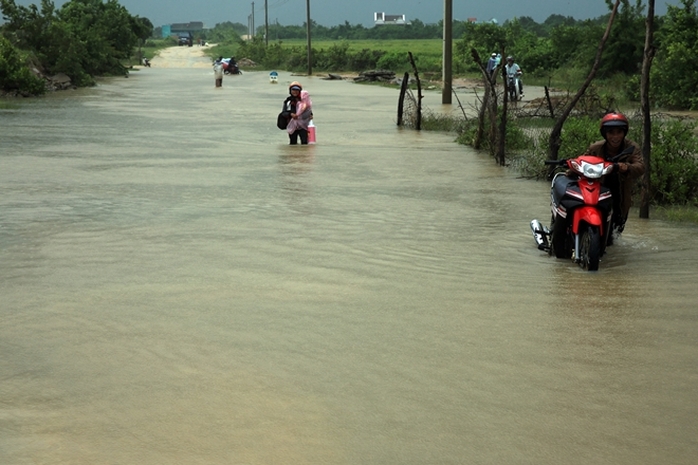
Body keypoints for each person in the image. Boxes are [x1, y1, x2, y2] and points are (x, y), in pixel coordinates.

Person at [585, 112, 645, 236]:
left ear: (624, 133)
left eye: (619, 132)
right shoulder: (596, 148)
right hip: (597, 191)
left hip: (621, 195)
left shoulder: (632, 147)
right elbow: (583, 162)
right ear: (605, 134)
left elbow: (640, 167)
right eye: (611, 132)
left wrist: (626, 167)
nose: (615, 136)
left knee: (615, 232)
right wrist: (570, 171)